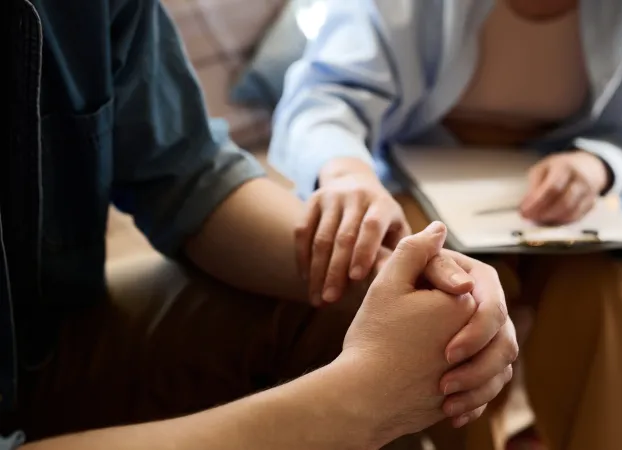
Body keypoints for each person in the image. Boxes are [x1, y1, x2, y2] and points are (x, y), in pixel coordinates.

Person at [1, 0, 519, 448]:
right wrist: (355, 403)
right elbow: (324, 100)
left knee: (364, 311)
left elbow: (187, 176)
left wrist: (394, 277)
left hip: (46, 341)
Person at [267, 0, 622, 448]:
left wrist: (597, 164)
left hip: (559, 197)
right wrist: (346, 173)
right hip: (419, 177)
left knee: (614, 294)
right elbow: (326, 97)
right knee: (448, 302)